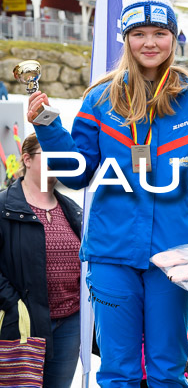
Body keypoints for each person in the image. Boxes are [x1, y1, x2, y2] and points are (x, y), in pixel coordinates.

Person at [26, 0, 188, 387]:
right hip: (111, 254)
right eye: (139, 33)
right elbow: (79, 172)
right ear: (126, 38)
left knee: (168, 369)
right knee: (118, 371)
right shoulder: (100, 99)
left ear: (174, 36)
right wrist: (48, 127)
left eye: (160, 33)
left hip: (174, 257)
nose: (150, 42)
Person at [0, 133, 83, 388]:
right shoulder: (4, 206)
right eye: (49, 155)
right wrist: (14, 305)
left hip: (70, 323)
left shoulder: (71, 208)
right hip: (23, 324)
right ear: (26, 159)